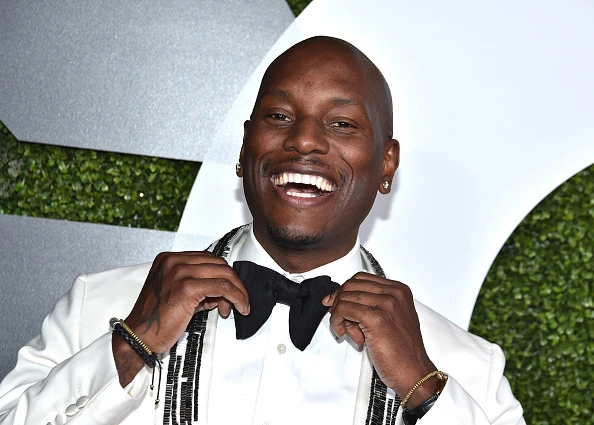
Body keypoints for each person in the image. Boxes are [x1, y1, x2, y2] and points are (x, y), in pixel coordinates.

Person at [0, 36, 525, 425]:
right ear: (245, 147)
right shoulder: (99, 307)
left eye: (342, 123)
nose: (304, 141)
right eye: (279, 116)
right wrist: (131, 345)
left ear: (386, 164)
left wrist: (424, 390)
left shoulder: (464, 367)